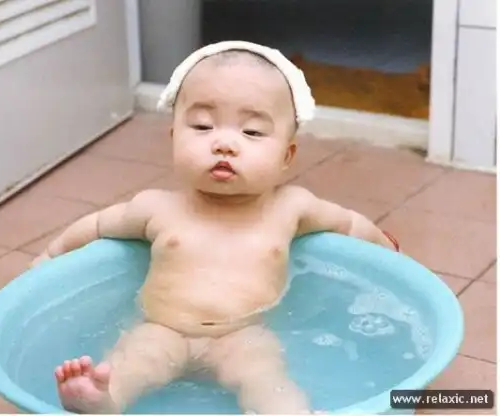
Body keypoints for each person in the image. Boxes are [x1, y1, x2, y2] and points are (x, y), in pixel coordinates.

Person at [32, 41, 400, 414]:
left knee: (266, 378)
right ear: (174, 137)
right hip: (164, 330)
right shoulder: (156, 208)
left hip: (241, 337)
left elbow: (350, 224)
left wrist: (390, 255)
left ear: (286, 155)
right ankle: (101, 400)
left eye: (252, 132)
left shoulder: (292, 207)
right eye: (203, 126)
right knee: (132, 361)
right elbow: (96, 226)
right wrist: (47, 259)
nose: (224, 144)